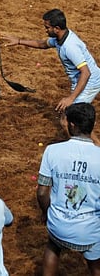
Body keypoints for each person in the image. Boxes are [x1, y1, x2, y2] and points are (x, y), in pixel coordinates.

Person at [36, 102, 100, 276]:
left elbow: (42, 192)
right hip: (91, 230)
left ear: (72, 124)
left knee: (52, 247)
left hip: (59, 225)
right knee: (96, 265)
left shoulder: (52, 151)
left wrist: (46, 214)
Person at [3, 9, 100, 113]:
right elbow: (43, 44)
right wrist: (18, 41)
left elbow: (86, 72)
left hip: (89, 83)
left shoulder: (70, 47)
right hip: (80, 80)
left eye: (47, 27)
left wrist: (71, 98)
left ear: (57, 29)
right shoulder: (61, 38)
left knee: (69, 119)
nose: (45, 30)